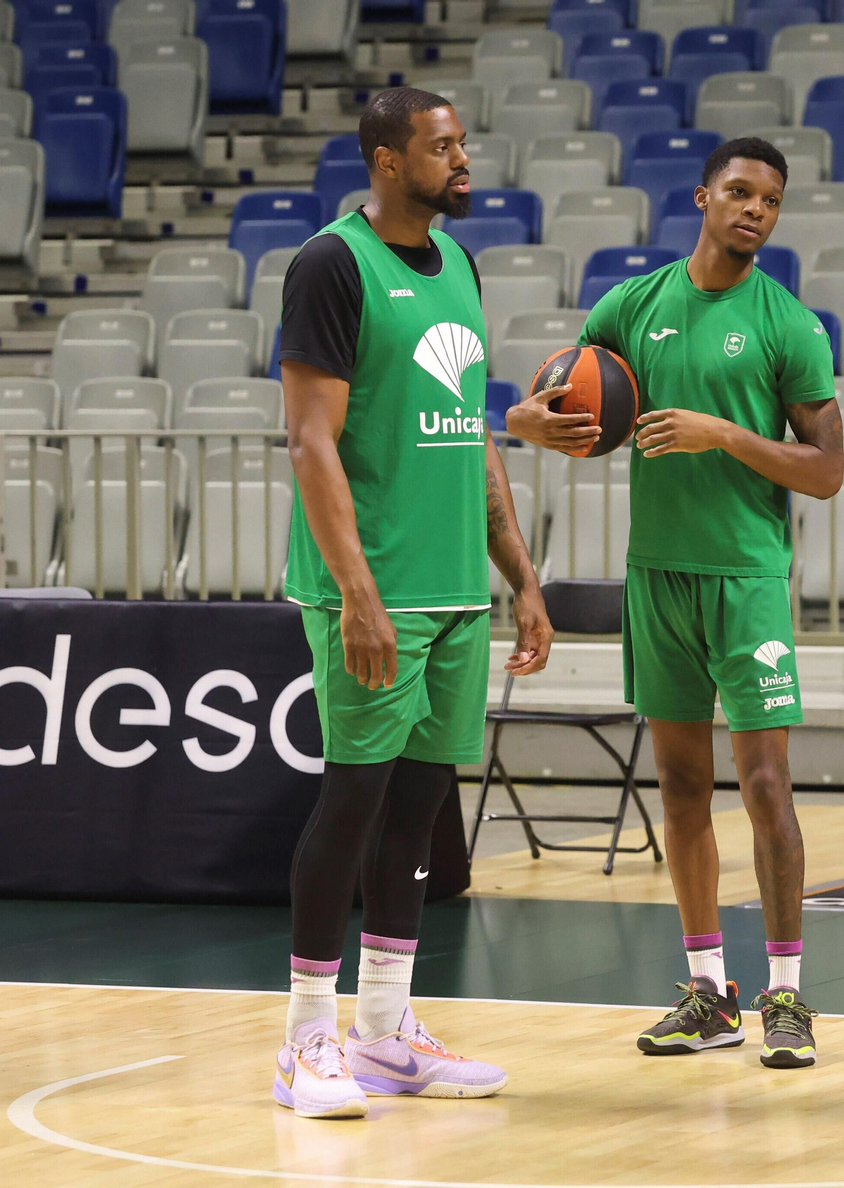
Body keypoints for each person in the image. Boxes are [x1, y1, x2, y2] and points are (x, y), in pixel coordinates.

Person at [508, 137, 842, 1070]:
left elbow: (826, 471)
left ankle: (785, 992)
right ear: (703, 196)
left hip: (746, 580)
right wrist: (530, 423)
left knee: (767, 786)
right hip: (656, 576)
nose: (754, 212)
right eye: (739, 193)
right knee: (684, 790)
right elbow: (563, 394)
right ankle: (708, 990)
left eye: (770, 202)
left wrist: (724, 435)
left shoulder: (790, 325)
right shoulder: (633, 305)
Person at [274, 86, 553, 1120]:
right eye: (442, 146)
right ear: (389, 162)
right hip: (373, 594)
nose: (462, 159)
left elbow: (469, 431)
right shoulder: (331, 266)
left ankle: (386, 1034)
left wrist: (517, 574)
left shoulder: (461, 266)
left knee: (421, 814)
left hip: (454, 596)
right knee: (350, 804)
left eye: (462, 142)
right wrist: (357, 592)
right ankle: (306, 1038)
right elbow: (311, 441)